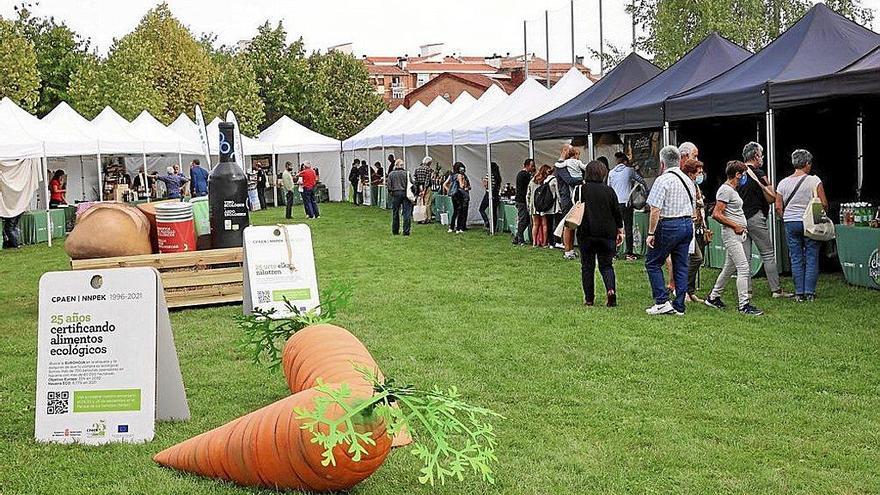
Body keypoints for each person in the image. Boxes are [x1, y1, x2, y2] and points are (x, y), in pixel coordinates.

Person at [704, 161, 764, 315]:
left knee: (729, 268)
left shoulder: (731, 190)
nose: (744, 177)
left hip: (736, 234)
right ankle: (744, 305)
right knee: (743, 268)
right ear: (737, 175)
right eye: (743, 174)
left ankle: (713, 297)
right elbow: (717, 214)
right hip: (732, 234)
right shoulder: (725, 190)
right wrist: (735, 225)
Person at [644, 145, 695, 316]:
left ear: (662, 163)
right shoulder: (688, 179)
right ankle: (679, 305)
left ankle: (661, 301)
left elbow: (655, 209)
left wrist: (651, 233)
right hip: (687, 224)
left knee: (653, 263)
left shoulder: (662, 180)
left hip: (669, 224)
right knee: (681, 265)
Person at [739, 141, 791, 298]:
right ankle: (776, 290)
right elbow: (771, 195)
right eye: (761, 155)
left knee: (745, 258)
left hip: (740, 218)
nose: (762, 158)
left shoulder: (737, 172)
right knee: (767, 254)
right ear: (756, 156)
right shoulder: (759, 173)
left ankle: (746, 292)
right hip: (755, 216)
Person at [776, 149, 828, 302]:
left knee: (796, 257)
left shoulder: (783, 183)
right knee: (812, 255)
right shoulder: (814, 180)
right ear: (807, 164)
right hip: (809, 223)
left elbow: (778, 206)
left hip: (791, 222)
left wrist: (785, 217)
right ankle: (809, 292)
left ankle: (799, 293)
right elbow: (823, 203)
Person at [577, 161, 624, 307]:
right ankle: (610, 290)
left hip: (586, 232)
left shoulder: (581, 190)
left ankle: (589, 299)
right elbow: (617, 212)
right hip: (607, 233)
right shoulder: (609, 191)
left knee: (587, 266)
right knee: (607, 265)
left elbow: (575, 207)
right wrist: (620, 230)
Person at [608, 151, 647, 260]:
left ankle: (613, 253)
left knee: (615, 228)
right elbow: (641, 180)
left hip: (615, 203)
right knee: (628, 227)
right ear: (625, 161)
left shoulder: (611, 173)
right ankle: (629, 253)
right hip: (626, 203)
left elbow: (609, 188)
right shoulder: (629, 171)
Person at [554, 145, 586, 259]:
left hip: (574, 197)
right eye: (571, 151)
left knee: (572, 225)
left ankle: (571, 249)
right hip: (567, 198)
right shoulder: (560, 165)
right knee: (568, 225)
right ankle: (567, 251)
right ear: (565, 151)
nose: (574, 154)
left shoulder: (567, 164)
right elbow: (569, 180)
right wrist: (582, 181)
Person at [685, 160, 708, 303]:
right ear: (691, 173)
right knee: (696, 258)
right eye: (698, 172)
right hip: (690, 225)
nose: (701, 175)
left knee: (698, 259)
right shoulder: (687, 185)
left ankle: (690, 291)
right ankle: (683, 289)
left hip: (699, 225)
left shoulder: (696, 186)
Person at [527, 164, 559, 247]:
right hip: (543, 205)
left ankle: (534, 242)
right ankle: (544, 243)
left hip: (534, 205)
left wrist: (529, 204)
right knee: (545, 224)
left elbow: (528, 194)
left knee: (535, 224)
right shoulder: (544, 181)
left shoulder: (532, 180)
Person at [386, 159, 413, 235]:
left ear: (395, 165)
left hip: (395, 194)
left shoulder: (391, 174)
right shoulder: (406, 173)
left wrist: (391, 192)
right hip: (405, 193)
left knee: (395, 213)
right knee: (406, 213)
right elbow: (411, 184)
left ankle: (395, 230)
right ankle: (406, 231)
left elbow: (389, 185)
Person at [513, 158, 535, 245]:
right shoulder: (524, 175)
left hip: (521, 200)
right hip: (522, 201)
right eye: (532, 166)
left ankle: (517, 237)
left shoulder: (522, 174)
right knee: (523, 219)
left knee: (526, 220)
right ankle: (520, 239)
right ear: (527, 166)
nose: (533, 168)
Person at [446, 162, 471, 234]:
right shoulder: (460, 176)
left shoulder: (452, 175)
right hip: (460, 195)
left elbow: (445, 184)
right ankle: (459, 228)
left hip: (454, 195)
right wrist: (464, 183)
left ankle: (451, 227)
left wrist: (449, 190)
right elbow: (462, 186)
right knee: (461, 211)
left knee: (455, 211)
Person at [479, 162, 502, 231]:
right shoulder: (498, 176)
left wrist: (484, 182)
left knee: (481, 209)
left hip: (489, 193)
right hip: (496, 195)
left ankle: (487, 222)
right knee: (494, 212)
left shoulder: (489, 174)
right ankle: (493, 227)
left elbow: (486, 185)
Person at [414, 156, 434, 223]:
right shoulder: (428, 169)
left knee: (420, 203)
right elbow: (427, 181)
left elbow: (415, 180)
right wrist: (424, 190)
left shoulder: (417, 169)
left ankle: (420, 217)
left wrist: (419, 189)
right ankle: (427, 218)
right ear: (428, 162)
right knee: (427, 203)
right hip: (426, 187)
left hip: (419, 187)